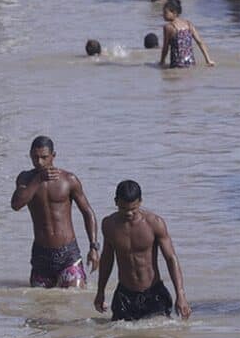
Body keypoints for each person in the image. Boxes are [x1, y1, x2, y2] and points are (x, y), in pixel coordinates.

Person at [94, 180, 191, 321]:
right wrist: (100, 291)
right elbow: (107, 259)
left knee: (160, 330)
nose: (128, 213)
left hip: (153, 292)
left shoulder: (154, 223)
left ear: (140, 202)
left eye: (133, 209)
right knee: (120, 333)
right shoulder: (109, 225)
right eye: (123, 208)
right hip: (125, 295)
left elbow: (171, 258)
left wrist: (180, 294)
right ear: (116, 202)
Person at [11, 136, 101, 288]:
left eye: (44, 157)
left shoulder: (69, 180)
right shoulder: (25, 179)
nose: (39, 162)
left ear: (53, 156)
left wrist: (94, 247)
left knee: (74, 297)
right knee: (40, 301)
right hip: (41, 255)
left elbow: (87, 212)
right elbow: (16, 204)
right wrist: (38, 180)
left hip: (68, 254)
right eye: (35, 157)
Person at [159, 0, 215, 68]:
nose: (163, 15)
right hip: (191, 62)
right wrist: (208, 60)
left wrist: (162, 62)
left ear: (174, 13)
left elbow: (165, 48)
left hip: (177, 64)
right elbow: (199, 42)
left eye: (165, 12)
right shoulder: (188, 24)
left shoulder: (168, 27)